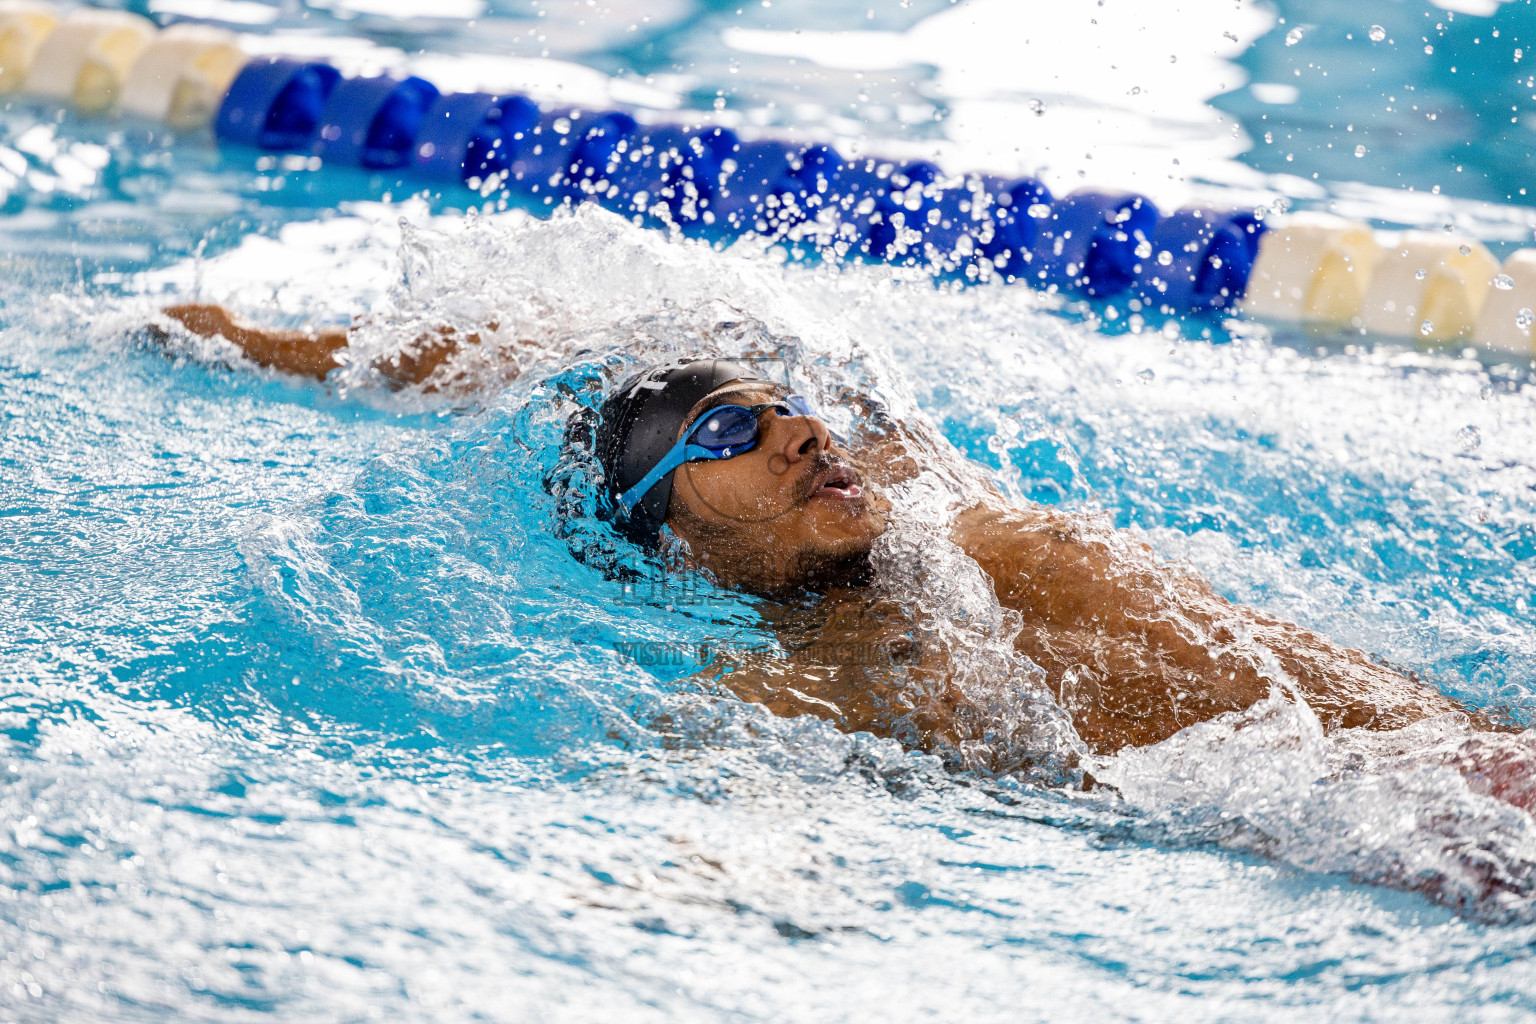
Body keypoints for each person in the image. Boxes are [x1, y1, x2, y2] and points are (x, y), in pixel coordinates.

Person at [153, 302, 1535, 808]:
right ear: (671, 545)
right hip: (1420, 832)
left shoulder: (931, 500)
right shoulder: (805, 689)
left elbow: (522, 345)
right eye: (734, 433)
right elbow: (714, 851)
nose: (804, 430)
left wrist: (281, 344)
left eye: (792, 408)